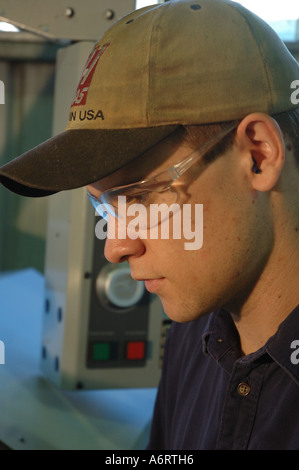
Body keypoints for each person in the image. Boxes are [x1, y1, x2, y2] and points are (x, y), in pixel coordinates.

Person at [0, 0, 299, 450]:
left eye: (137, 197)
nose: (115, 248)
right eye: (105, 207)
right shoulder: (196, 332)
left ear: (258, 155)